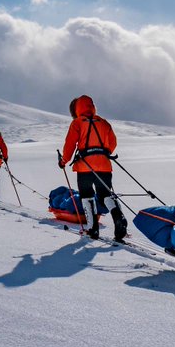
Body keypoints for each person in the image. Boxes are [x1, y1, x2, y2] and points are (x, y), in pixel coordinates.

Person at [59, 95, 128, 241]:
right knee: (105, 195)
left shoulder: (77, 123)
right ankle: (118, 216)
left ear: (76, 110)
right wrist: (103, 152)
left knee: (87, 195)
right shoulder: (104, 123)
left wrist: (64, 161)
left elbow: (70, 144)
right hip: (104, 165)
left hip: (85, 167)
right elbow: (113, 142)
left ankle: (92, 229)